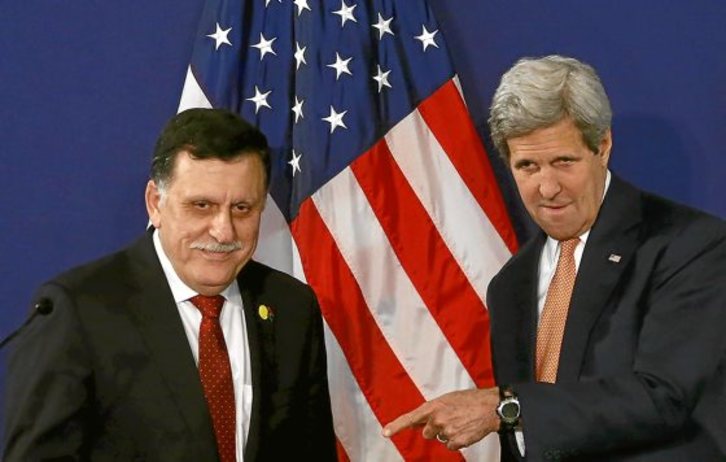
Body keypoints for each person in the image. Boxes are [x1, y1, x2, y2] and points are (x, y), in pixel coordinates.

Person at [383, 55, 726, 460]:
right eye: (527, 166)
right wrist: (507, 411)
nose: (547, 188)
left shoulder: (689, 245)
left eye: (563, 162)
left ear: (602, 146)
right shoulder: (511, 284)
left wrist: (505, 407)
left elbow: (663, 395)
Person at [3, 108, 337, 461]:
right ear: (155, 204)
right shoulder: (79, 311)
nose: (224, 231)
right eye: (201, 205)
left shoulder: (291, 306)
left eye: (242, 208)